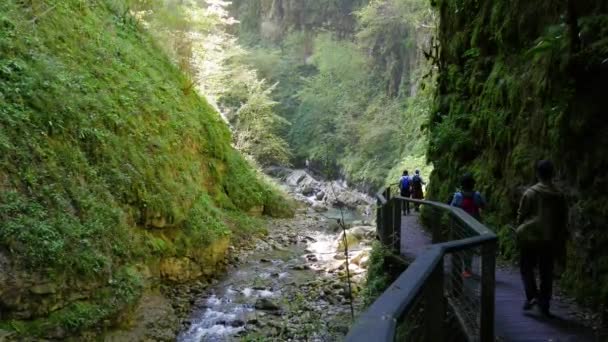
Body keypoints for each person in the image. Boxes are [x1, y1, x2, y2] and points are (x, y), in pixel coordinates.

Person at [516, 160, 567, 317]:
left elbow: (521, 214)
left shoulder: (530, 193)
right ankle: (544, 303)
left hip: (530, 237)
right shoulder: (559, 195)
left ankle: (532, 296)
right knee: (546, 271)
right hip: (549, 238)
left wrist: (519, 228)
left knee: (526, 267)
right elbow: (562, 218)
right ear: (552, 174)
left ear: (537, 173)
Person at [450, 173, 485, 277]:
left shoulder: (457, 196)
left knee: (459, 247)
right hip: (473, 225)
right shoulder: (477, 195)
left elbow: (451, 208)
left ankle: (458, 270)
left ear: (462, 185)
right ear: (473, 184)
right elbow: (483, 205)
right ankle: (467, 269)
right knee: (470, 248)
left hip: (460, 225)